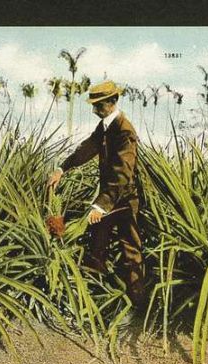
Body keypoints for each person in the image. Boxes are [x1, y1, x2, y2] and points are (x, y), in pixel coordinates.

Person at [47, 80, 146, 314]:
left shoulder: (124, 130)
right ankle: (96, 301)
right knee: (97, 244)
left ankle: (140, 308)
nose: (94, 110)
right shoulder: (105, 126)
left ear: (112, 103)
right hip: (108, 199)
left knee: (131, 250)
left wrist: (101, 206)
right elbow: (86, 149)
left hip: (124, 199)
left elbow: (123, 174)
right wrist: (62, 168)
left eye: (99, 105)